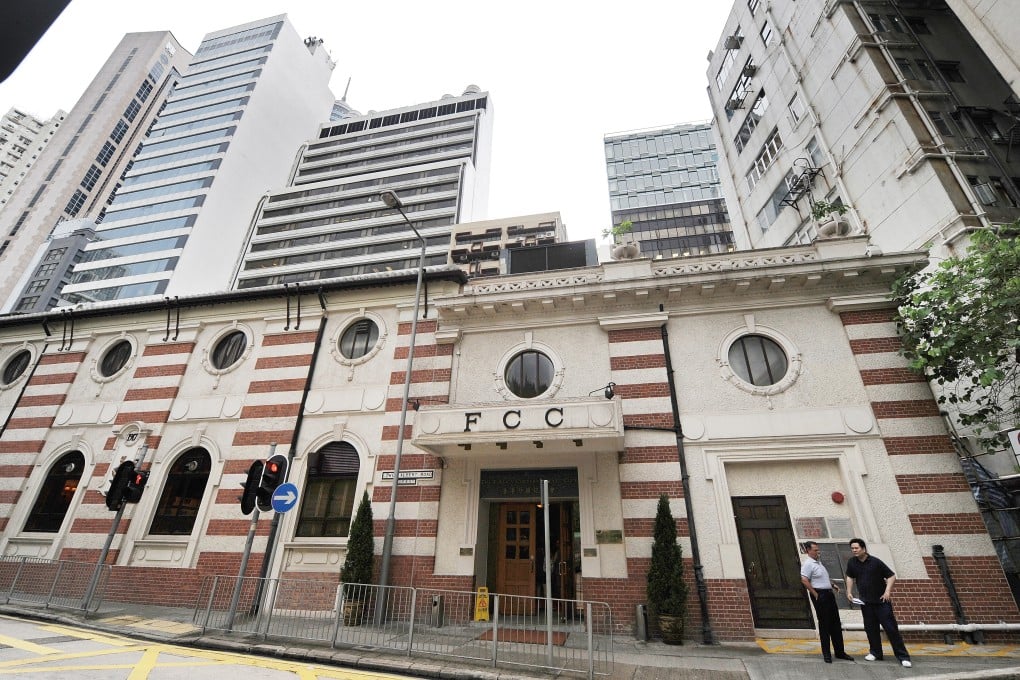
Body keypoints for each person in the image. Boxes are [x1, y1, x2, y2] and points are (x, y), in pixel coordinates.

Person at [844, 537, 912, 668]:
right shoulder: (852, 562)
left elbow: (891, 576)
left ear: (863, 548)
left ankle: (903, 656)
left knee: (891, 629)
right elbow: (850, 577)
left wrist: (887, 591)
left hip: (881, 602)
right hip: (866, 603)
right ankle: (876, 653)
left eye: (856, 548)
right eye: (852, 548)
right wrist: (849, 591)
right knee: (871, 629)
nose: (854, 550)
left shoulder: (875, 562)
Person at [799, 541, 853, 663]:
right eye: (815, 550)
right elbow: (804, 580)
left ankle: (840, 652)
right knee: (825, 624)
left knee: (835, 623)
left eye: (818, 549)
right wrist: (815, 594)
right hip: (821, 595)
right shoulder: (808, 564)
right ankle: (827, 654)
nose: (818, 551)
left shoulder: (819, 563)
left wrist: (832, 584)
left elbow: (823, 577)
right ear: (808, 550)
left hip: (828, 594)